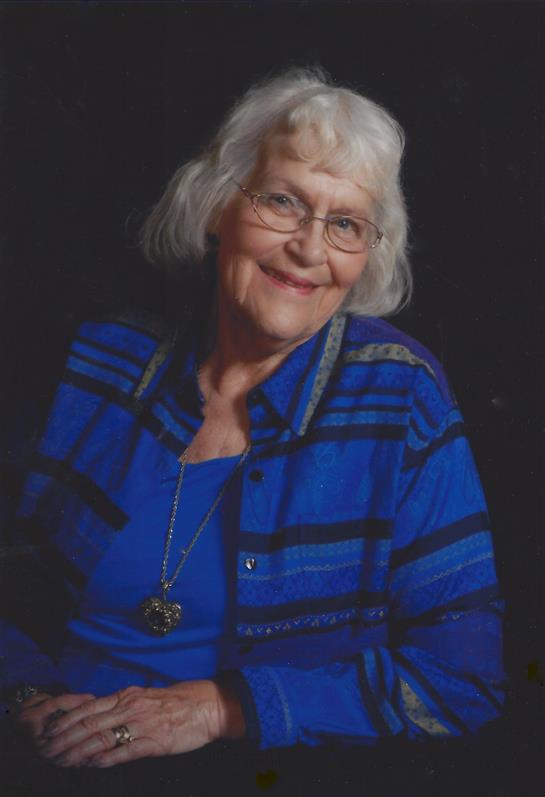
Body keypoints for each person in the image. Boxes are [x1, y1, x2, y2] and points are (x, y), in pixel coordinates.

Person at [1, 67, 504, 768]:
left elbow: (462, 677)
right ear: (215, 207)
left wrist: (223, 706)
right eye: (282, 200)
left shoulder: (398, 396)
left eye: (346, 223)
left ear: (366, 256)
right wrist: (22, 695)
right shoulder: (102, 357)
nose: (309, 247)